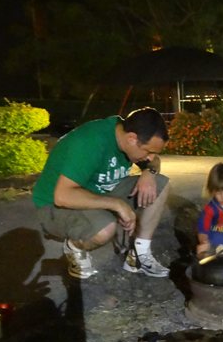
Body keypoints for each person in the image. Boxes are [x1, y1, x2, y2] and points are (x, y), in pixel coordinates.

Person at [32, 107, 171, 279]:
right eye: (148, 151)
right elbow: (62, 196)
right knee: (105, 229)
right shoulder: (90, 141)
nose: (150, 157)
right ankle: (74, 247)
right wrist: (117, 205)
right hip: (55, 205)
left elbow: (155, 162)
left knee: (159, 184)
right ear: (132, 139)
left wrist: (150, 172)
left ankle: (138, 256)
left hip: (99, 192)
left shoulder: (125, 134)